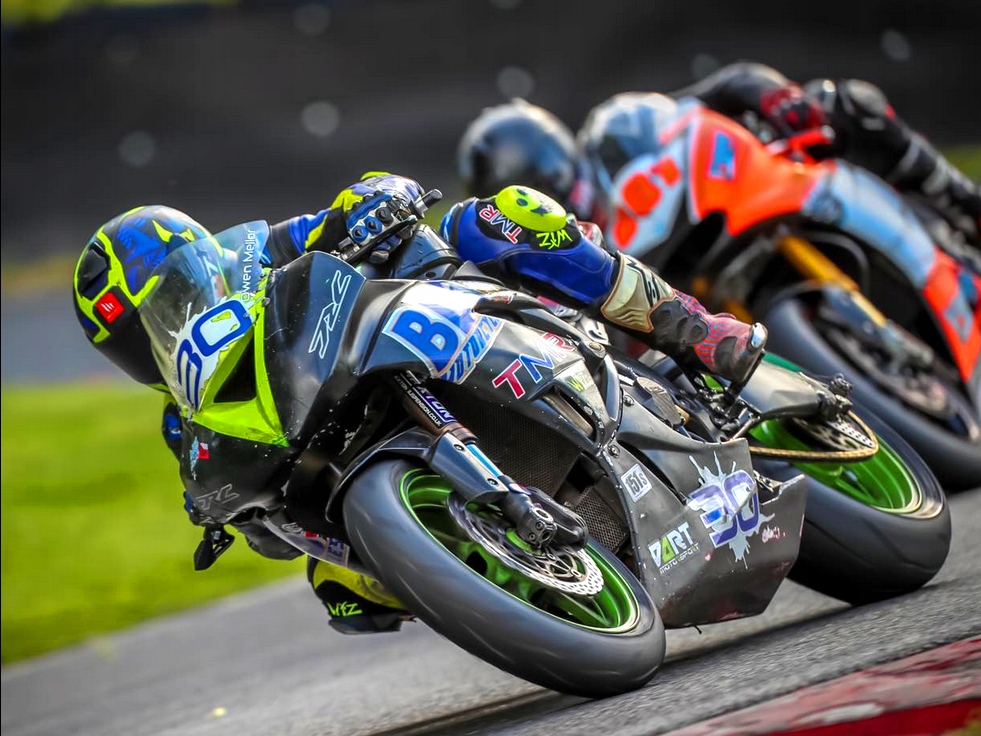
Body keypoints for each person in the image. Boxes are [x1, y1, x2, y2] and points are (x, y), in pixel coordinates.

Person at [72, 172, 766, 635]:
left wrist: (375, 199)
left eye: (171, 297)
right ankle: (507, 583)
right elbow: (266, 533)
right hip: (358, 442)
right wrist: (239, 516)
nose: (167, 330)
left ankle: (694, 330)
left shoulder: (257, 252)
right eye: (140, 336)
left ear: (198, 262)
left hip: (437, 317)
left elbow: (356, 202)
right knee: (338, 590)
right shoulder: (187, 422)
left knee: (497, 218)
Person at [457, 62, 980, 245]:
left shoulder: (615, 135)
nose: (543, 192)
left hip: (749, 193)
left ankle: (961, 200)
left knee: (843, 104)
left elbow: (724, 85)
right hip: (696, 307)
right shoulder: (566, 263)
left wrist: (775, 99)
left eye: (540, 175)